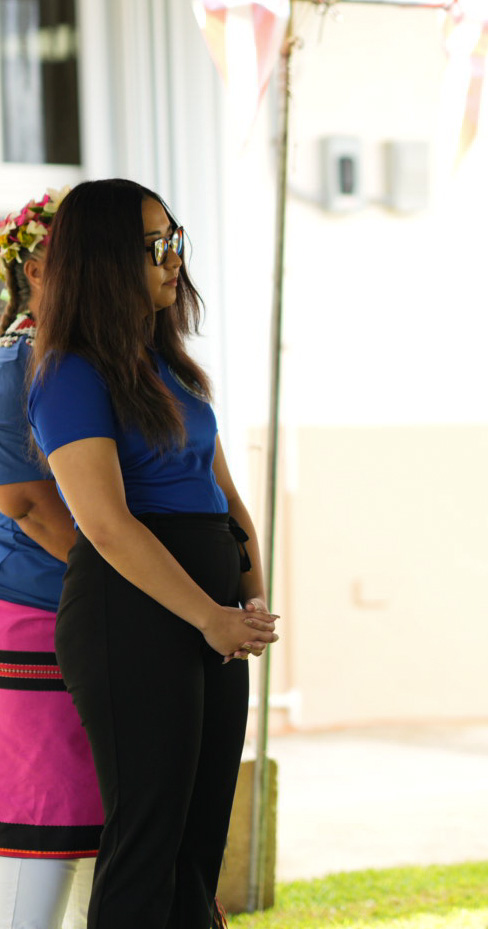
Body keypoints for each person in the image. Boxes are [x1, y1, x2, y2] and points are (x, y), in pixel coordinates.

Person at [26, 179, 279, 929]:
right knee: (149, 834)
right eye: (154, 245)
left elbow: (223, 495)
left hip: (211, 615)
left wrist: (248, 601)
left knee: (198, 843)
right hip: (133, 615)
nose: (174, 259)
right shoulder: (69, 372)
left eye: (175, 239)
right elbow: (103, 522)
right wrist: (209, 615)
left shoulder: (172, 368)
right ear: (104, 260)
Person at [0, 189, 102, 929]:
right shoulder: (15, 366)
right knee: (50, 827)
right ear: (34, 270)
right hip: (38, 614)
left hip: (95, 609)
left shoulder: (101, 361)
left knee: (102, 829)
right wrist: (144, 584)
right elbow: (31, 507)